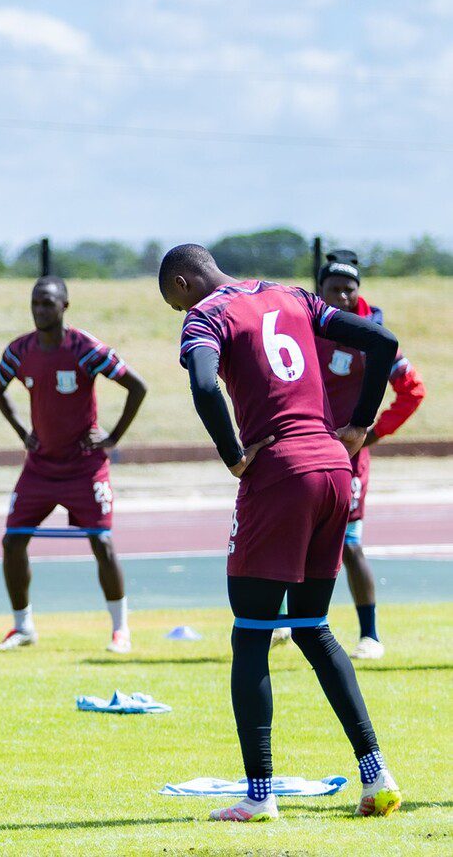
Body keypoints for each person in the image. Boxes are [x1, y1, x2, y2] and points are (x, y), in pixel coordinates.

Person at [159, 243, 402, 822]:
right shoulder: (292, 294)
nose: (177, 312)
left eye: (172, 301)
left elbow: (202, 384)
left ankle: (259, 795)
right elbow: (383, 343)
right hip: (333, 467)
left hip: (280, 474)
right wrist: (360, 426)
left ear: (183, 282)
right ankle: (377, 774)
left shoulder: (208, 315)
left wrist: (233, 456)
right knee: (315, 628)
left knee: (251, 634)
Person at [0, 276, 148, 653]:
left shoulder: (85, 348)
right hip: (40, 467)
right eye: (35, 303)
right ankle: (23, 626)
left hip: (85, 467)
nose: (40, 310)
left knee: (102, 543)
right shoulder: (20, 350)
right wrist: (21, 431)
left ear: (65, 306)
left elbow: (137, 387)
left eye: (48, 303)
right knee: (12, 541)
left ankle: (120, 630)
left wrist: (112, 439)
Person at [315, 250, 425, 660]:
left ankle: (369, 634)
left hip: (347, 459)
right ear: (320, 290)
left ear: (359, 291)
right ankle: (286, 624)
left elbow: (412, 391)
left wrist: (373, 434)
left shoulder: (374, 336)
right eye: (333, 289)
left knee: (348, 544)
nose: (341, 296)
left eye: (349, 289)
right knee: (297, 536)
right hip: (305, 452)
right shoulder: (307, 325)